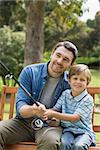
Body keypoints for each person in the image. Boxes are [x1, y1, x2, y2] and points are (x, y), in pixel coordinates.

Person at [0, 41, 78, 150]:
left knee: (50, 142)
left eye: (66, 59)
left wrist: (58, 120)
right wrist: (34, 110)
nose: (59, 61)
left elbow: (73, 114)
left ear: (71, 64)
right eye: (58, 55)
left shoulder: (71, 84)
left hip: (50, 127)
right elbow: (20, 107)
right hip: (23, 123)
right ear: (52, 54)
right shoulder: (30, 71)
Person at [43, 64, 96, 150]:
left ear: (87, 83)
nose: (78, 82)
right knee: (64, 143)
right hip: (68, 130)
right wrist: (45, 111)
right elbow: (55, 108)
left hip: (84, 132)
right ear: (69, 80)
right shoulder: (65, 94)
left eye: (82, 80)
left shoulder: (87, 99)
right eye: (75, 78)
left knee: (79, 146)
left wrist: (53, 114)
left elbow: (75, 118)